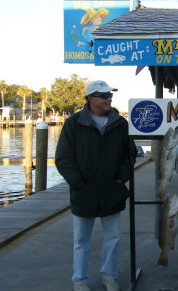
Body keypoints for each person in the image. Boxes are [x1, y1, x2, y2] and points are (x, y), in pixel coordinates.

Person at [56, 80, 135, 291]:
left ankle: (109, 276)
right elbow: (63, 158)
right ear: (91, 98)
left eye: (110, 95)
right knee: (81, 240)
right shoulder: (73, 123)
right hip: (84, 192)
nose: (109, 98)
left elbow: (130, 155)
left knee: (113, 237)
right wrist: (78, 184)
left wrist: (120, 179)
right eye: (104, 95)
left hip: (111, 190)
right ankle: (79, 280)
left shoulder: (120, 123)